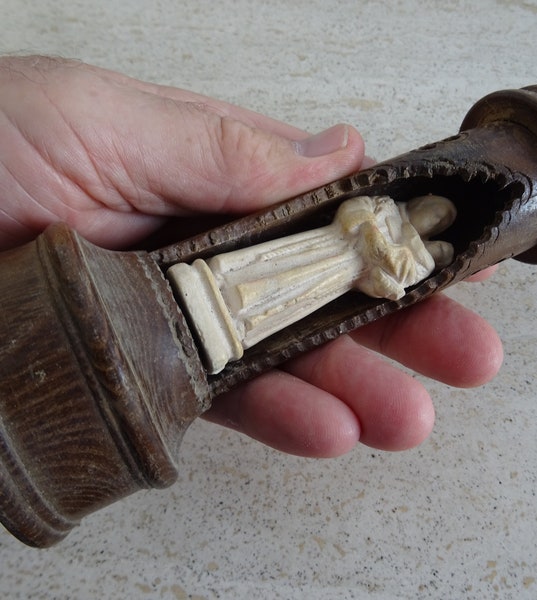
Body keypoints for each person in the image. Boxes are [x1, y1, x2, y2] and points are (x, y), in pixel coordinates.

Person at [0, 55, 503, 458]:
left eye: (437, 223)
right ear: (421, 203)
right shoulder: (378, 205)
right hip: (305, 250)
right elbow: (353, 218)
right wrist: (374, 246)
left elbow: (388, 286)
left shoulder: (415, 260)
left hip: (325, 283)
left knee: (266, 317)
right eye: (433, 213)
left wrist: (378, 255)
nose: (432, 221)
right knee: (244, 281)